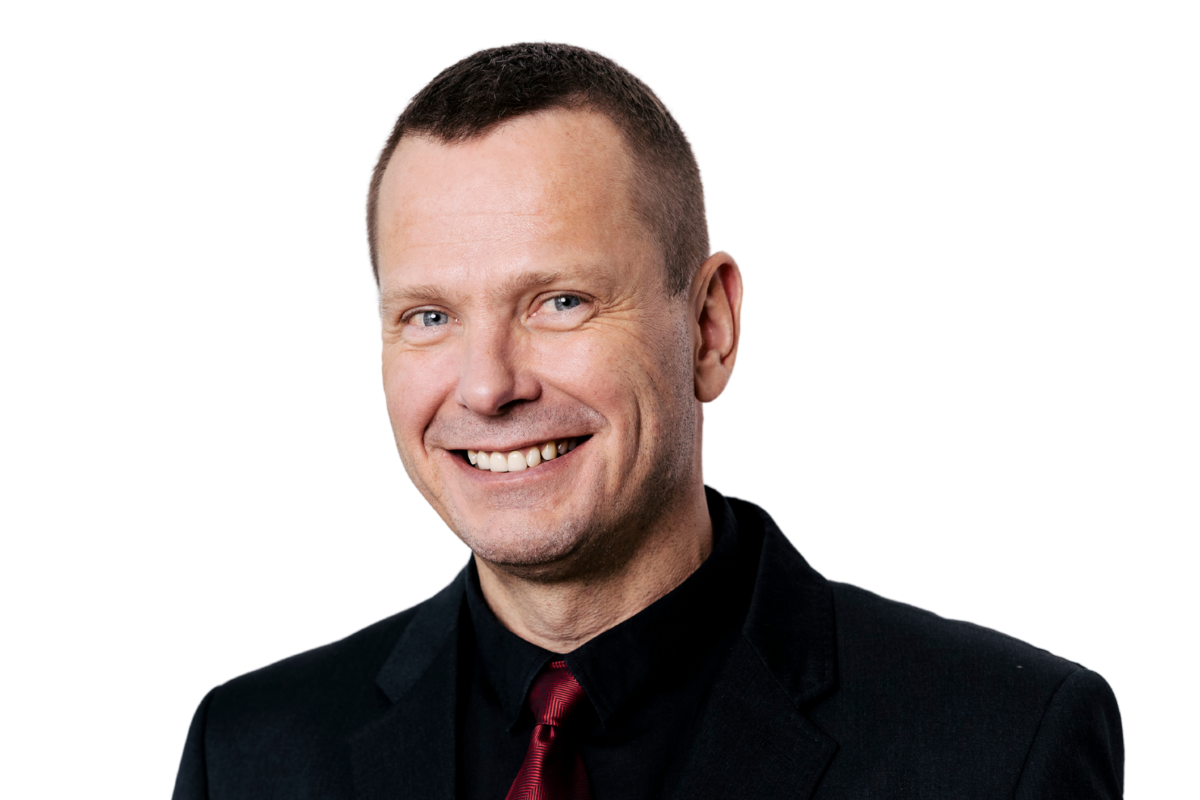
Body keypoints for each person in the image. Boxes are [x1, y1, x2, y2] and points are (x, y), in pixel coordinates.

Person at [171, 40, 1124, 799]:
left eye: (560, 302)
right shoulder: (250, 756)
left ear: (710, 327)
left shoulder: (1004, 748)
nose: (487, 387)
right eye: (429, 317)